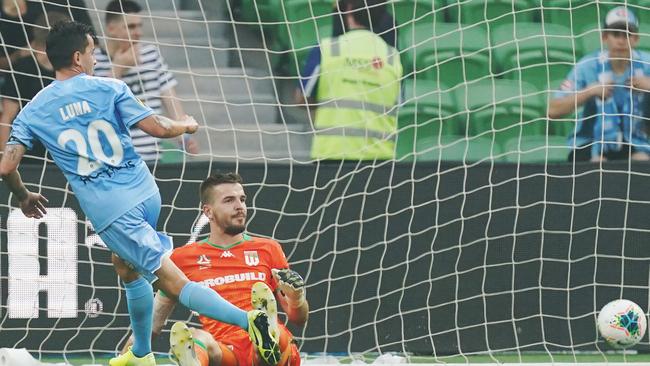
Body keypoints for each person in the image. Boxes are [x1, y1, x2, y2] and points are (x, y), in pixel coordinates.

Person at [0, 21, 280, 366]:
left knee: (173, 282)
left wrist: (24, 196)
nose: (96, 60)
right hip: (145, 191)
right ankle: (141, 354)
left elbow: (7, 166)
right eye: (91, 53)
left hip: (112, 209)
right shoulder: (110, 88)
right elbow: (160, 128)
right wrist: (187, 125)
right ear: (77, 56)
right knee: (126, 266)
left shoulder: (33, 110)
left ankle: (251, 321)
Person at [134, 172, 308, 366]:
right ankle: (195, 362)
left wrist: (296, 298)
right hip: (228, 351)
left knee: (271, 334)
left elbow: (298, 319)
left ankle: (264, 333)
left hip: (278, 348)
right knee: (195, 337)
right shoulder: (183, 258)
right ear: (208, 212)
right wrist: (130, 355)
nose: (239, 206)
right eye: (229, 200)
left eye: (242, 199)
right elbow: (154, 322)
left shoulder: (268, 249)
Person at [296, 0, 402, 161]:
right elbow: (398, 103)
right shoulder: (392, 56)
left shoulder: (327, 48)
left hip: (332, 153)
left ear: (349, 10)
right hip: (381, 158)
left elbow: (301, 98)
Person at [93, 0, 198, 163]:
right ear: (111, 29)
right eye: (131, 27)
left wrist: (183, 137)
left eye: (140, 26)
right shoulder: (94, 60)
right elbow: (96, 106)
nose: (138, 33)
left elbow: (169, 97)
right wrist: (118, 69)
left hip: (152, 158)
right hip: (114, 160)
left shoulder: (150, 55)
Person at [548, 6, 650, 162]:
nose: (621, 40)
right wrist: (589, 91)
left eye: (627, 34)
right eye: (616, 34)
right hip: (590, 142)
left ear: (636, 38)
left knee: (642, 161)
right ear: (604, 37)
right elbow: (553, 110)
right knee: (599, 165)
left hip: (636, 142)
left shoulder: (647, 64)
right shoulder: (587, 66)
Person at [0, 11, 69, 164]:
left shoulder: (71, 69)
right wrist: (5, 161)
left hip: (65, 154)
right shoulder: (23, 68)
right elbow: (6, 118)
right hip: (30, 157)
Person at [0, 0, 93, 74]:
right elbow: (2, 64)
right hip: (25, 76)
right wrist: (19, 54)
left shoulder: (71, 2)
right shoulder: (8, 8)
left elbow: (92, 44)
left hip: (70, 71)